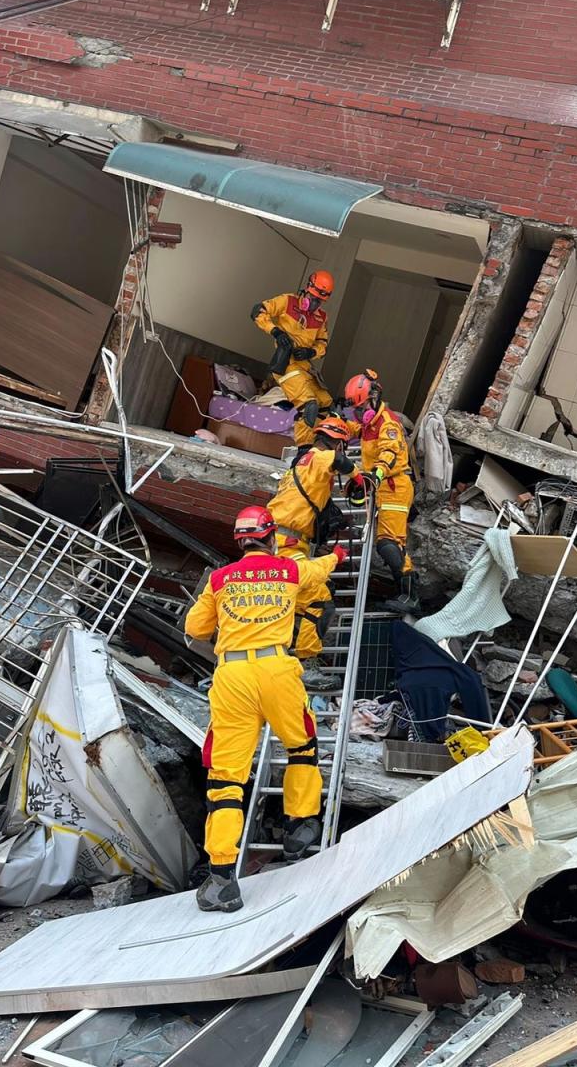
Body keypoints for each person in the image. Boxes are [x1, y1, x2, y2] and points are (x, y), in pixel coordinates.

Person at [184, 505, 346, 913]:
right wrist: (340, 555)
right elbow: (319, 570)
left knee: (225, 778)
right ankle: (300, 829)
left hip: (233, 676)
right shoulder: (289, 570)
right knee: (302, 747)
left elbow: (195, 630)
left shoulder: (220, 579)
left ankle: (221, 878)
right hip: (277, 669)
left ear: (240, 541)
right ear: (271, 537)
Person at [267, 415, 365, 686]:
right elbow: (339, 462)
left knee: (299, 600)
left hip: (283, 541)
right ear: (337, 444)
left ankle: (285, 655)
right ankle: (305, 663)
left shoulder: (302, 462)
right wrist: (358, 479)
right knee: (319, 599)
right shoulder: (321, 456)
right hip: (288, 544)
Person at [343, 368, 420, 615]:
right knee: (389, 543)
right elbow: (353, 429)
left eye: (362, 407)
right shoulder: (369, 423)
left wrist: (374, 476)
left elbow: (389, 452)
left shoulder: (388, 424)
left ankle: (411, 595)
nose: (359, 413)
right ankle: (404, 592)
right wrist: (333, 424)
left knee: (389, 544)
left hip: (394, 486)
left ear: (374, 398)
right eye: (356, 409)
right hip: (383, 488)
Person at [251, 270, 335, 446]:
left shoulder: (322, 318)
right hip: (286, 364)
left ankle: (316, 444)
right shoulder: (288, 301)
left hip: (304, 366)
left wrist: (311, 353)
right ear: (307, 289)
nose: (313, 304)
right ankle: (303, 449)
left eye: (318, 301)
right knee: (309, 405)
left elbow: (322, 345)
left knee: (325, 402)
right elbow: (257, 311)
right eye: (312, 298)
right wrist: (275, 331)